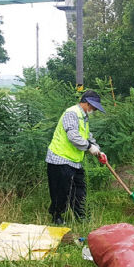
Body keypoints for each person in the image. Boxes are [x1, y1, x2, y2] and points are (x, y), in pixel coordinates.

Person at [45, 90, 107, 225]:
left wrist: (98, 151)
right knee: (61, 191)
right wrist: (89, 147)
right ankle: (57, 216)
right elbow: (73, 136)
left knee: (79, 189)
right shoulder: (72, 113)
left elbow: (87, 136)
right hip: (59, 158)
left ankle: (80, 216)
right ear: (87, 103)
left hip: (74, 161)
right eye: (94, 106)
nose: (94, 110)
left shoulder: (84, 117)